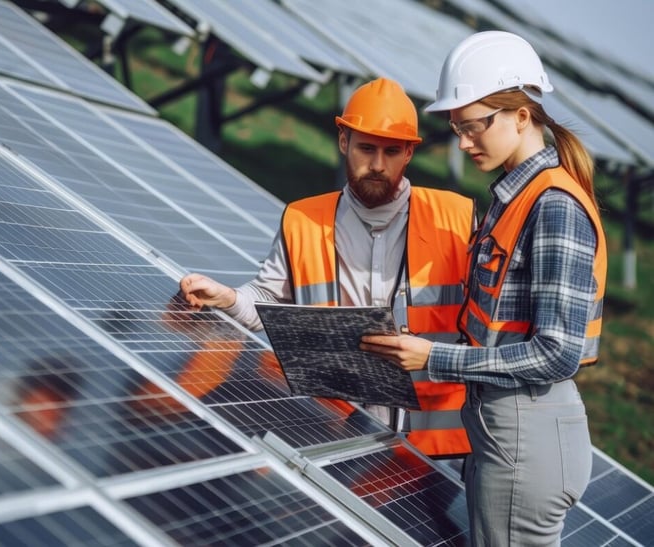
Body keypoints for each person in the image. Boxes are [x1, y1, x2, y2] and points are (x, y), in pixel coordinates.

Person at [360, 31, 607, 545]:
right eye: (457, 129)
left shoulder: (554, 206)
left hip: (526, 430)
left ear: (521, 115)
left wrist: (433, 357)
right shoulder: (514, 198)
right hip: (504, 428)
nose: (464, 143)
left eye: (474, 126)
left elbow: (557, 353)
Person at [179, 77, 476, 460]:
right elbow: (267, 300)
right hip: (332, 439)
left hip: (436, 452)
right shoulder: (302, 220)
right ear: (343, 141)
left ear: (408, 153)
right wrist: (229, 298)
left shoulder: (457, 219)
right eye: (366, 148)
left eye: (391, 151)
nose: (378, 165)